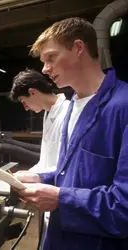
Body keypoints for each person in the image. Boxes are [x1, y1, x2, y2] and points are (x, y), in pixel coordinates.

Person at [14, 17, 128, 250]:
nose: (45, 69)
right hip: (59, 238)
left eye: (51, 58)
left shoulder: (123, 106)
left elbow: (123, 206)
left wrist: (60, 199)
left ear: (78, 48)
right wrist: (42, 179)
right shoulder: (73, 105)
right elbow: (77, 173)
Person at [10, 68, 70, 248]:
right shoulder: (48, 112)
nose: (25, 107)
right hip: (47, 190)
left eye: (24, 101)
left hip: (58, 195)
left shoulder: (67, 113)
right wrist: (26, 174)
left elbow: (66, 164)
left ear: (32, 92)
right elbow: (47, 159)